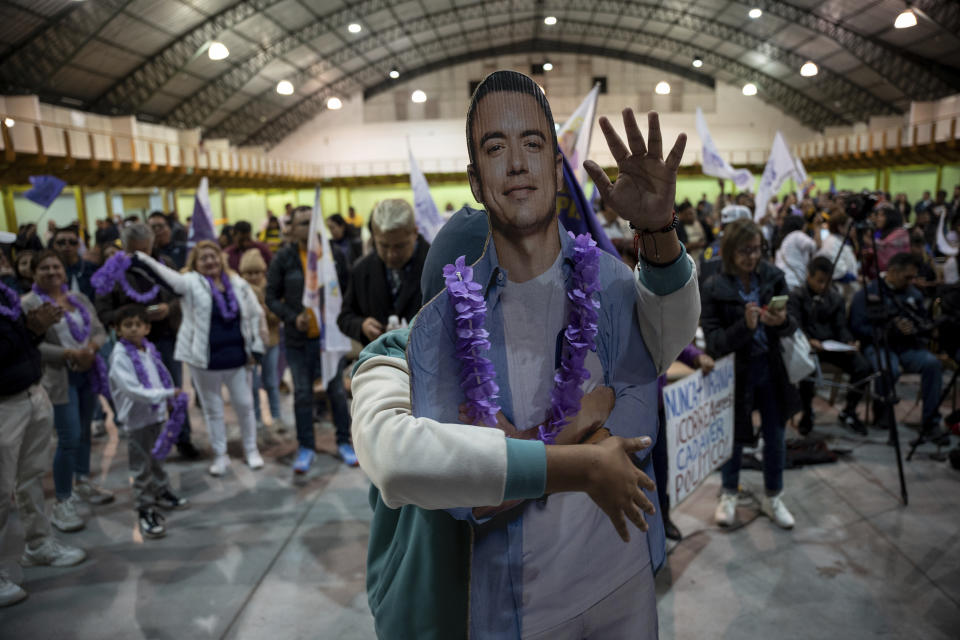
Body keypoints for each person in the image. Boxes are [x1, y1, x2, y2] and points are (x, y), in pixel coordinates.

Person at [354, 70, 699, 639]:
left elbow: (657, 346)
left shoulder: (586, 297)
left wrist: (656, 230)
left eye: (532, 145)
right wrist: (578, 444)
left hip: (615, 584)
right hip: (493, 608)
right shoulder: (395, 356)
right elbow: (403, 461)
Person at [133, 241, 266, 476]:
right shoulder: (190, 283)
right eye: (203, 258)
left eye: (213, 256)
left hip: (238, 359)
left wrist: (257, 347)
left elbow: (255, 313)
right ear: (195, 263)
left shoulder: (237, 282)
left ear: (220, 258)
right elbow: (166, 277)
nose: (209, 261)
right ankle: (221, 455)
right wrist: (142, 258)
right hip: (204, 361)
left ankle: (251, 449)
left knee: (245, 406)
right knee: (213, 410)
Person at [701, 218, 798, 530]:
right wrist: (746, 327)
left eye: (757, 250)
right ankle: (729, 493)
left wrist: (780, 322)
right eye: (745, 251)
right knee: (733, 439)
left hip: (771, 369)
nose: (753, 257)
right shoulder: (714, 284)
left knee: (776, 437)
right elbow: (714, 342)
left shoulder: (774, 277)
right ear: (730, 250)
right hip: (735, 373)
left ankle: (774, 495)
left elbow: (792, 325)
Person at [0, 267, 86, 607]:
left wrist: (33, 331)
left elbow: (18, 343)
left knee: (29, 477)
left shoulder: (4, 294)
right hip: (4, 405)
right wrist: (30, 327)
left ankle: (38, 544)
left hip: (30, 393)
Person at [21, 251, 114, 534]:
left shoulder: (77, 298)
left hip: (87, 371)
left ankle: (83, 480)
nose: (52, 272)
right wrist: (68, 353)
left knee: (85, 431)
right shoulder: (29, 304)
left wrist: (91, 349)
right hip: (59, 379)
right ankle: (62, 501)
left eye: (56, 266)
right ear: (33, 273)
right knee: (69, 437)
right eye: (45, 267)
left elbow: (98, 330)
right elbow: (31, 345)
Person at [93, 222, 198, 458]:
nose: (140, 257)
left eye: (145, 251)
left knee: (174, 389)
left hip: (165, 338)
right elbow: (103, 311)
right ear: (124, 246)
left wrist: (167, 308)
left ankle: (183, 439)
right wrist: (131, 316)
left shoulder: (165, 264)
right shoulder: (112, 270)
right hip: (132, 345)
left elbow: (182, 297)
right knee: (142, 395)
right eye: (134, 252)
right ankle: (149, 445)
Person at [266, 206, 355, 472]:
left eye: (312, 222)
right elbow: (270, 297)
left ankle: (344, 441)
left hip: (330, 340)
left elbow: (347, 291)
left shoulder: (333, 255)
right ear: (291, 228)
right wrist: (292, 318)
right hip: (298, 340)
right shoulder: (284, 258)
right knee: (303, 394)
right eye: (303, 223)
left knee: (337, 392)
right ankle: (305, 446)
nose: (309, 228)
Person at [107, 304, 189, 540]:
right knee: (141, 467)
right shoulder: (120, 356)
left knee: (158, 457)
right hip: (137, 421)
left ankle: (162, 491)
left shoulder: (149, 350)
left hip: (155, 415)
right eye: (127, 325)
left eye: (138, 324)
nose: (133, 329)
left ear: (147, 327)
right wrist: (166, 395)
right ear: (118, 330)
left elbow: (160, 376)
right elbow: (134, 390)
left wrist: (166, 399)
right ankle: (145, 509)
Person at [850, 252, 947, 443]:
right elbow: (857, 327)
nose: (911, 282)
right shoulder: (869, 293)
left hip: (908, 346)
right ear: (893, 271)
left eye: (913, 277)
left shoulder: (913, 294)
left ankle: (931, 423)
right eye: (907, 277)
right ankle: (882, 412)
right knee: (888, 369)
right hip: (880, 345)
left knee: (932, 365)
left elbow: (924, 322)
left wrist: (919, 328)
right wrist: (889, 329)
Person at [790, 256, 873, 435]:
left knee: (863, 367)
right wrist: (809, 340)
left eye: (826, 282)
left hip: (831, 346)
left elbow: (841, 326)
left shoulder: (834, 297)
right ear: (809, 276)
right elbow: (795, 325)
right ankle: (807, 412)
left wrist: (849, 342)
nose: (823, 286)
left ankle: (849, 411)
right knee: (806, 368)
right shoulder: (797, 296)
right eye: (819, 281)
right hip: (808, 348)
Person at [337, 200, 429, 346]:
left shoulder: (438, 265)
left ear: (415, 233)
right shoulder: (361, 269)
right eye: (384, 246)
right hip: (378, 361)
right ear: (373, 236)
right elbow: (345, 317)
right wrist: (362, 326)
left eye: (400, 246)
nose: (392, 255)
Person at [654, 344, 714, 541]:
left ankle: (662, 518)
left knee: (661, 466)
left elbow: (673, 339)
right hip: (623, 411)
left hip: (656, 408)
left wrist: (696, 357)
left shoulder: (649, 316)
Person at [239, 249, 285, 433]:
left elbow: (278, 316)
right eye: (249, 273)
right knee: (253, 384)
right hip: (249, 344)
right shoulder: (240, 291)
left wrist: (267, 313)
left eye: (257, 272)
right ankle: (256, 418)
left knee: (271, 381)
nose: (253, 277)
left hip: (270, 342)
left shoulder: (270, 290)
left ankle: (276, 416)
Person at [774, 213, 821, 289]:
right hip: (793, 282)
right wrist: (817, 227)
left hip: (781, 282)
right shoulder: (797, 235)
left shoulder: (782, 242)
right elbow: (817, 246)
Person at [51, 226, 96, 300]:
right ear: (55, 245)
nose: (67, 245)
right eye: (61, 242)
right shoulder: (50, 271)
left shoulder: (92, 268)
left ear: (78, 245)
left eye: (72, 242)